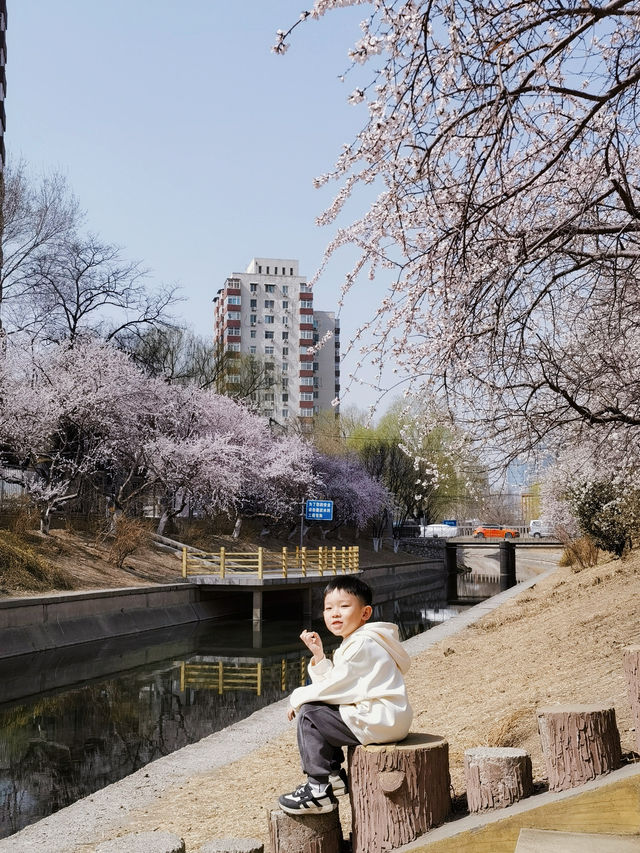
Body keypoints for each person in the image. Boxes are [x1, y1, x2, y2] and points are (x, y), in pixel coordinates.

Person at [278, 575, 412, 815]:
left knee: (310, 715)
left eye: (344, 606)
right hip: (384, 717)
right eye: (329, 608)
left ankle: (318, 790)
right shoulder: (361, 641)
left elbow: (337, 688)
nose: (335, 613)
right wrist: (319, 656)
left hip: (379, 719)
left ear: (365, 613)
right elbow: (340, 685)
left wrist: (297, 697)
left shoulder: (361, 645)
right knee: (318, 711)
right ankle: (334, 776)